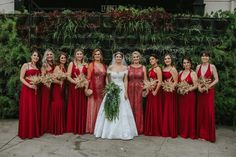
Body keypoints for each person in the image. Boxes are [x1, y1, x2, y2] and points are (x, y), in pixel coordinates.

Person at [94, 51, 138, 140]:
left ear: (122, 58)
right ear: (115, 58)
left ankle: (123, 132)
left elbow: (125, 80)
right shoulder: (110, 67)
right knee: (109, 108)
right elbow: (107, 78)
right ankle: (107, 131)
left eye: (120, 57)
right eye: (117, 57)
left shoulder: (125, 67)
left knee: (122, 109)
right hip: (112, 88)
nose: (118, 58)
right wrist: (109, 86)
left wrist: (125, 92)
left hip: (121, 89)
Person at [196, 51, 219, 142]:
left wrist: (208, 86)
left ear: (209, 57)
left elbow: (217, 79)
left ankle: (208, 135)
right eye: (203, 56)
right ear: (201, 58)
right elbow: (197, 79)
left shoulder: (212, 66)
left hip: (209, 92)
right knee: (201, 112)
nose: (204, 57)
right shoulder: (198, 67)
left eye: (206, 56)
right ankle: (201, 134)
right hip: (201, 92)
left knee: (208, 112)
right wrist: (199, 87)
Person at [18, 50, 41, 139]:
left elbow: (38, 79)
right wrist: (29, 85)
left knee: (33, 109)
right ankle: (25, 132)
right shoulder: (26, 65)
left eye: (37, 56)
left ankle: (33, 131)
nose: (36, 57)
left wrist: (38, 82)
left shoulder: (37, 67)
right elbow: (21, 77)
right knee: (27, 109)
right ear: (31, 56)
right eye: (34, 55)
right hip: (27, 90)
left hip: (35, 90)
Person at [66, 48, 87, 134]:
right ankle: (73, 126)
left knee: (82, 105)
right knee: (74, 105)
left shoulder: (86, 65)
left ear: (83, 55)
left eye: (81, 54)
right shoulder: (72, 64)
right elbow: (68, 76)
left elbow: (87, 77)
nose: (79, 55)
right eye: (77, 54)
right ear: (75, 55)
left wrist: (83, 82)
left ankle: (81, 126)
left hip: (82, 88)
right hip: (74, 88)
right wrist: (76, 82)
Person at [86, 48, 106, 134]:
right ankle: (92, 128)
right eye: (96, 54)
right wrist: (86, 89)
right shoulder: (91, 65)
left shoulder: (104, 65)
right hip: (93, 88)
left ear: (101, 56)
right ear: (93, 56)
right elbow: (88, 78)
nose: (97, 55)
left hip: (102, 89)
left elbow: (106, 78)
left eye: (99, 54)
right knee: (93, 108)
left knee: (101, 108)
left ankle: (99, 128)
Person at [177, 57, 198, 139]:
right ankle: (182, 131)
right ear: (182, 64)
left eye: (187, 63)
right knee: (182, 114)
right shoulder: (180, 72)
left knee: (189, 114)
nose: (186, 64)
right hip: (181, 97)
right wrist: (179, 89)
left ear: (190, 63)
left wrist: (187, 90)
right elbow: (178, 84)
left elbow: (196, 85)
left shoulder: (193, 73)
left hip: (189, 97)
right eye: (184, 63)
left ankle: (189, 132)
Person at [128, 51, 147, 134]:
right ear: (132, 58)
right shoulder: (128, 67)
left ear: (140, 58)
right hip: (130, 88)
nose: (136, 58)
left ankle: (139, 128)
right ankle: (130, 128)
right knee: (130, 106)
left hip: (140, 89)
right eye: (134, 57)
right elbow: (125, 80)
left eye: (137, 57)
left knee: (139, 108)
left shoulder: (143, 67)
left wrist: (146, 89)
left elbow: (145, 80)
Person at [48, 52, 67, 135]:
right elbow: (52, 79)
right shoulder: (57, 67)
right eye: (62, 58)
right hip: (57, 89)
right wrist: (59, 82)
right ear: (59, 59)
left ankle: (61, 127)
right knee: (57, 105)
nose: (63, 59)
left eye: (64, 58)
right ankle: (55, 128)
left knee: (62, 105)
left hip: (63, 89)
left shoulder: (65, 68)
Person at [144, 54, 163, 136]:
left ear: (156, 60)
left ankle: (156, 129)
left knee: (155, 109)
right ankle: (150, 128)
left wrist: (155, 91)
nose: (151, 60)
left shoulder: (158, 69)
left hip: (156, 92)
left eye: (153, 59)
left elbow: (160, 81)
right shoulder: (150, 69)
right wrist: (148, 87)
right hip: (151, 91)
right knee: (151, 108)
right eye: (150, 59)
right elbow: (150, 80)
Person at [162, 53, 178, 138]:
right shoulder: (163, 68)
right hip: (164, 91)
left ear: (171, 60)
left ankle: (170, 130)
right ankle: (165, 129)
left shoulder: (173, 69)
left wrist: (170, 87)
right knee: (165, 109)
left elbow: (176, 81)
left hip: (170, 92)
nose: (167, 60)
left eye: (168, 58)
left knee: (169, 109)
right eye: (165, 59)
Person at [40, 48, 55, 134]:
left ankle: (50, 125)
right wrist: (48, 83)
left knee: (50, 106)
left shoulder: (53, 65)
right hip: (46, 88)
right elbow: (43, 78)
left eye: (51, 54)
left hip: (53, 88)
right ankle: (44, 127)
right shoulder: (44, 66)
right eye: (48, 55)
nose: (49, 56)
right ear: (45, 56)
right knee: (46, 106)